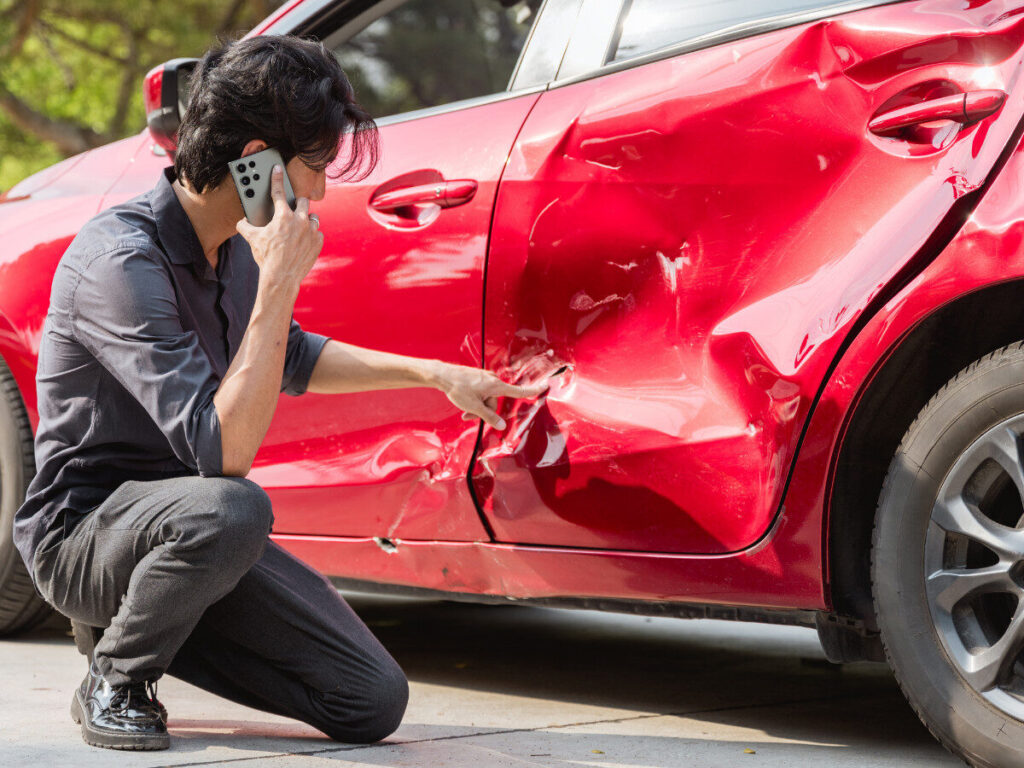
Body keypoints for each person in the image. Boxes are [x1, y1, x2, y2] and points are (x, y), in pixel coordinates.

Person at [12, 34, 547, 752]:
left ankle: (142, 617)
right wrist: (280, 279)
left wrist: (436, 375)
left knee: (369, 701)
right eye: (315, 167)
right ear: (257, 159)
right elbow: (223, 453)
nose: (321, 192)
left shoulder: (229, 248)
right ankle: (117, 674)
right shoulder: (120, 263)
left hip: (188, 536)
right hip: (84, 540)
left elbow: (290, 354)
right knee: (237, 505)